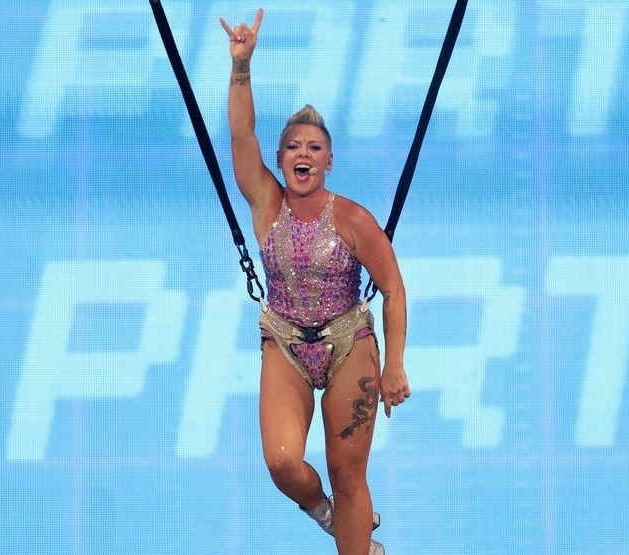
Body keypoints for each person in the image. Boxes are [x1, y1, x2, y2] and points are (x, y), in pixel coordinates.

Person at [220, 9, 411, 555]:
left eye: (313, 147)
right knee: (282, 462)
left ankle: (358, 543)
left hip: (349, 341)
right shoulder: (266, 204)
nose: (302, 154)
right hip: (284, 342)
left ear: (329, 160)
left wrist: (394, 363)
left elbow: (393, 289)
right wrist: (241, 67)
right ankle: (328, 516)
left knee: (349, 472)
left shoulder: (353, 220)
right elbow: (241, 134)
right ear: (279, 160)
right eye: (293, 147)